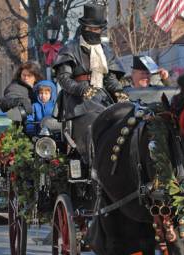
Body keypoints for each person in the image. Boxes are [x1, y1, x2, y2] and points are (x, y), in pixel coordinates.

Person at [53, 3, 128, 164]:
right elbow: (64, 78)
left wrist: (118, 91)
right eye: (91, 28)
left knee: (123, 122)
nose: (94, 32)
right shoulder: (70, 49)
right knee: (91, 124)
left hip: (103, 99)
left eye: (98, 29)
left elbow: (109, 79)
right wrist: (80, 89)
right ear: (84, 27)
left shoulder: (106, 51)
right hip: (77, 102)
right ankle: (92, 164)